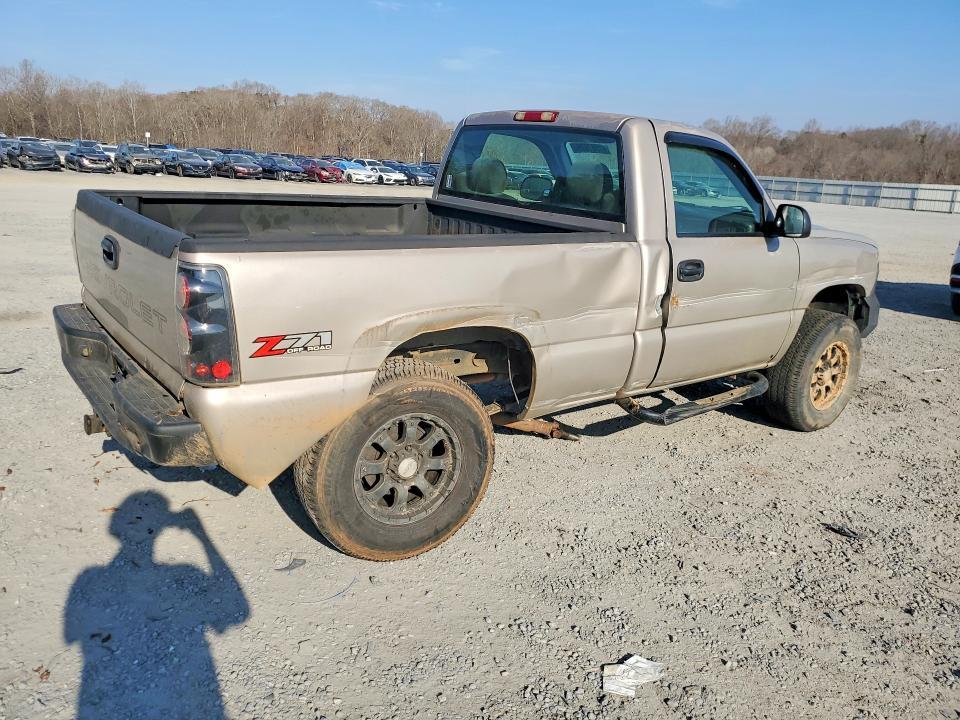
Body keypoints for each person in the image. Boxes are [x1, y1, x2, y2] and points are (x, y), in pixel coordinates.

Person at [64, 491, 250, 719]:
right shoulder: (187, 573)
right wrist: (202, 536)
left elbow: (72, 635)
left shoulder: (90, 579)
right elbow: (238, 611)